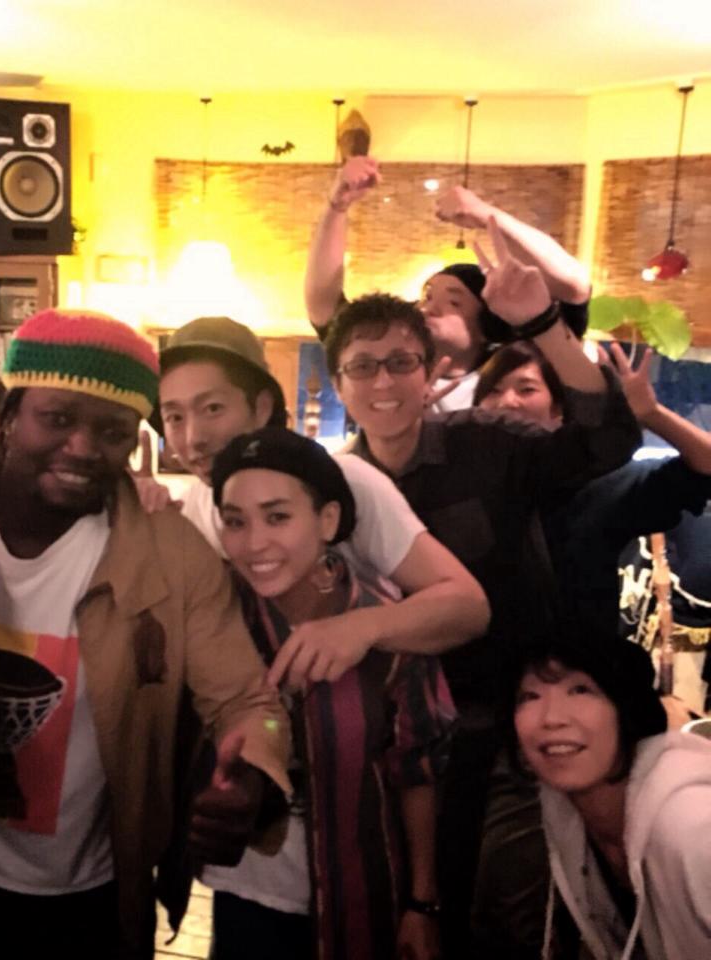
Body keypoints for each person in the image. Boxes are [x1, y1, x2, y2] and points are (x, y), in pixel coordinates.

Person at [0, 309, 288, 960]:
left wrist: (253, 773)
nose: (85, 447)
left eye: (113, 431)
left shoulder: (173, 554)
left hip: (90, 899)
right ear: (11, 413)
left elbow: (248, 702)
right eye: (58, 418)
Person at [323, 225, 641, 957]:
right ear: (338, 383)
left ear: (429, 369)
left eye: (400, 362)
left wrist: (543, 324)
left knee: (509, 916)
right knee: (400, 915)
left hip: (501, 734)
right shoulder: (334, 486)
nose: (382, 383)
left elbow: (605, 441)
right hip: (393, 743)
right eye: (362, 367)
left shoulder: (489, 443)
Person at [205, 427, 455, 960]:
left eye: (278, 517)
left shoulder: (389, 628)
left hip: (362, 898)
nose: (254, 543)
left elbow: (417, 773)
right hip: (244, 895)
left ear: (328, 520)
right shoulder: (216, 617)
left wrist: (423, 902)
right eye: (235, 521)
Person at [153, 315, 489, 690]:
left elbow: (468, 605)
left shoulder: (345, 481)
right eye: (174, 416)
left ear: (261, 407)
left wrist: (359, 627)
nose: (193, 438)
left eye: (213, 408)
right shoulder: (192, 508)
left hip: (374, 701)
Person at [473, 338, 711, 641]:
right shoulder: (459, 483)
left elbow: (705, 465)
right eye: (493, 390)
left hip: (579, 662)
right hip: (477, 662)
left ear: (559, 409)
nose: (507, 401)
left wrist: (652, 413)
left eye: (526, 389)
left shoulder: (600, 486)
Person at [305, 161, 591, 409]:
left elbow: (574, 286)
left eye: (455, 302)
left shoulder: (513, 374)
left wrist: (485, 215)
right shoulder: (391, 369)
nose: (430, 307)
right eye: (427, 295)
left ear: (487, 325)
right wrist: (336, 207)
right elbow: (324, 306)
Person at [505, 633, 711, 959]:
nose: (551, 718)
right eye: (530, 696)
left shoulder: (692, 827)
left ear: (626, 709)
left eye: (580, 690)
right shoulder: (566, 811)